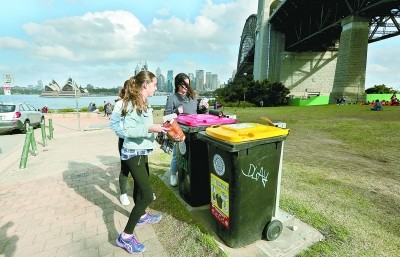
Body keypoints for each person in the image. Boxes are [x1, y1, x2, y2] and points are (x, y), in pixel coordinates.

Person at [115, 71, 169, 255]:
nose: (156, 88)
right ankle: (125, 237)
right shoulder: (131, 103)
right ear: (145, 85)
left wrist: (160, 131)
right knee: (147, 196)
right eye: (154, 85)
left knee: (140, 189)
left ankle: (142, 216)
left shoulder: (143, 102)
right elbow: (128, 130)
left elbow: (145, 129)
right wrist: (150, 128)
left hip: (142, 152)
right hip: (133, 154)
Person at [164, 73, 209, 187]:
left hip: (194, 130)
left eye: (187, 85)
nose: (186, 88)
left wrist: (204, 108)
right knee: (177, 153)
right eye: (183, 85)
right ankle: (173, 173)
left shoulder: (192, 97)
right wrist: (176, 112)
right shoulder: (172, 98)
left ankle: (190, 173)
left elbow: (198, 113)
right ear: (178, 84)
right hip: (179, 130)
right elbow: (166, 116)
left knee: (192, 154)